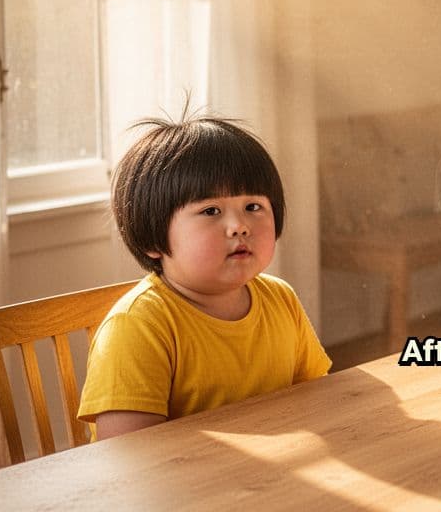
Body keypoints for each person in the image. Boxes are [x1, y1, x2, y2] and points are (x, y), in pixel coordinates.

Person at [79, 111, 332, 439]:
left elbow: (320, 402)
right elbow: (129, 460)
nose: (239, 225)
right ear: (154, 238)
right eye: (211, 211)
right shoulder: (138, 326)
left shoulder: (280, 298)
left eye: (253, 207)